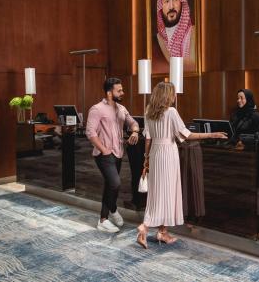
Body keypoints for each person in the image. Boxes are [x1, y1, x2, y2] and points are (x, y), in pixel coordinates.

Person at [136, 82, 227, 249]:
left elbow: (147, 139)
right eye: (173, 93)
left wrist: (146, 158)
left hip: (155, 154)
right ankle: (145, 227)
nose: (175, 96)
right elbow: (187, 134)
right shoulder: (171, 112)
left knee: (157, 193)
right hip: (168, 154)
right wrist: (212, 134)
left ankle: (161, 232)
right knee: (168, 192)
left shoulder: (149, 112)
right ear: (168, 95)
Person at [86, 78, 140, 233]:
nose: (122, 92)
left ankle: (108, 213)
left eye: (122, 89)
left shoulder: (121, 108)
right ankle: (107, 215)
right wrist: (104, 149)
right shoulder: (96, 109)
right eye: (119, 90)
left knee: (111, 184)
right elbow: (90, 132)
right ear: (109, 93)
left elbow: (133, 122)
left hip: (118, 152)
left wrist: (135, 131)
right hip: (104, 154)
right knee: (115, 183)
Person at [156, 0, 196, 69]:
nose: (171, 6)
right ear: (161, 6)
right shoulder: (158, 38)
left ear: (181, 2)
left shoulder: (193, 32)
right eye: (166, 1)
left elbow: (193, 66)